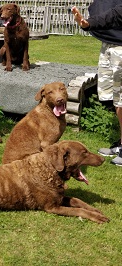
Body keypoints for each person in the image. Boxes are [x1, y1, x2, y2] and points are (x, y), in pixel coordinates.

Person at [71, 2, 122, 166]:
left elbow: (116, 13)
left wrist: (90, 23)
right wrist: (88, 22)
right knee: (116, 99)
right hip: (108, 44)